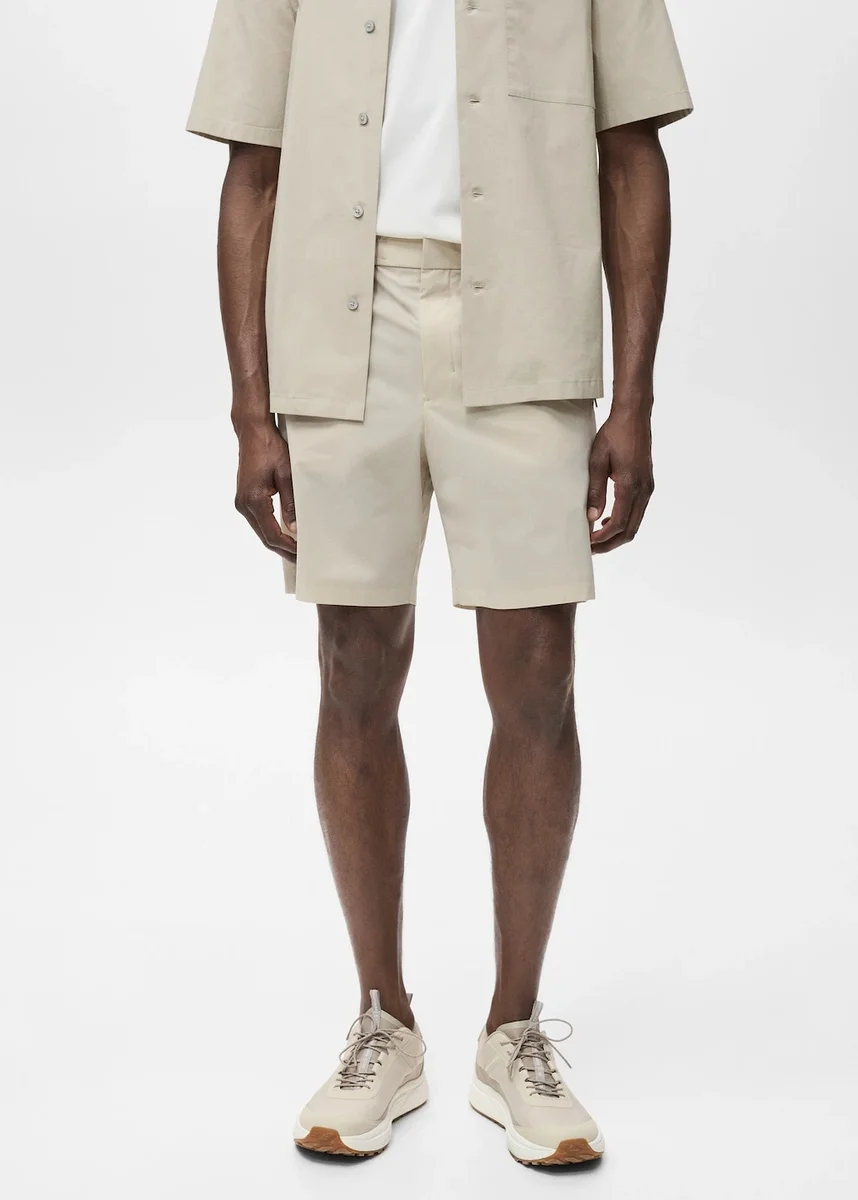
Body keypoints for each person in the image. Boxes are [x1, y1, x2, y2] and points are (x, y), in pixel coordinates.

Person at [187, 0, 692, 1167]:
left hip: (526, 320)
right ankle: (385, 1021)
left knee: (538, 674)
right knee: (354, 665)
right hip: (342, 320)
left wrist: (634, 400)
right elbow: (252, 172)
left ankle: (514, 1032)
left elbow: (633, 157)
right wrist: (249, 411)